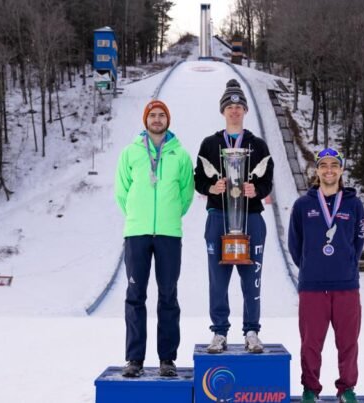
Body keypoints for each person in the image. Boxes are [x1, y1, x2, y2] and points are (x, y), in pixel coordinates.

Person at [114, 99, 195, 378]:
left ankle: (167, 359)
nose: (157, 119)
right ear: (145, 120)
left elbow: (186, 194)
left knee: (168, 295)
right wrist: (138, 215)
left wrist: (170, 215)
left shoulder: (180, 155)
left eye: (162, 115)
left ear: (167, 120)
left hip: (169, 234)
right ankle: (134, 358)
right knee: (135, 295)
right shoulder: (130, 153)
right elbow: (122, 191)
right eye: (153, 115)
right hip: (137, 233)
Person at [194, 79, 274, 354]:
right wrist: (211, 188)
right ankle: (219, 332)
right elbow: (198, 179)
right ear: (223, 111)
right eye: (229, 106)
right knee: (218, 279)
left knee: (251, 278)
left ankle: (252, 331)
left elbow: (268, 181)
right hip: (219, 215)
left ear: (246, 110)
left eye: (239, 106)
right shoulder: (209, 144)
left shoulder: (258, 145)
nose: (234, 110)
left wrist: (256, 190)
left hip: (251, 217)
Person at [288, 148, 364, 403]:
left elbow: (358, 241)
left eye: (334, 165)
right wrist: (310, 266)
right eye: (324, 165)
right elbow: (294, 244)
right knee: (311, 343)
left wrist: (347, 264)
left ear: (341, 170)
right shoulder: (303, 205)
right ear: (317, 170)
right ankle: (310, 389)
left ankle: (347, 389)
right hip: (312, 286)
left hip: (346, 286)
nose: (329, 170)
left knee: (348, 342)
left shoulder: (353, 204)